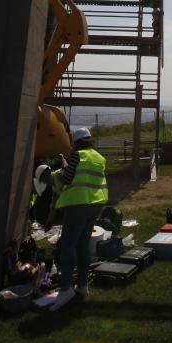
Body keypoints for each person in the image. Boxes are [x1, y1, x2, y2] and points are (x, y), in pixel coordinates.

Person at [46, 127, 108, 311]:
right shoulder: (98, 157)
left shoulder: (78, 155)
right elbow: (85, 176)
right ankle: (82, 286)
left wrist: (62, 168)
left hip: (78, 205)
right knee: (83, 245)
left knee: (68, 246)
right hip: (95, 205)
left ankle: (65, 289)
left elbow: (66, 178)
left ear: (76, 142)